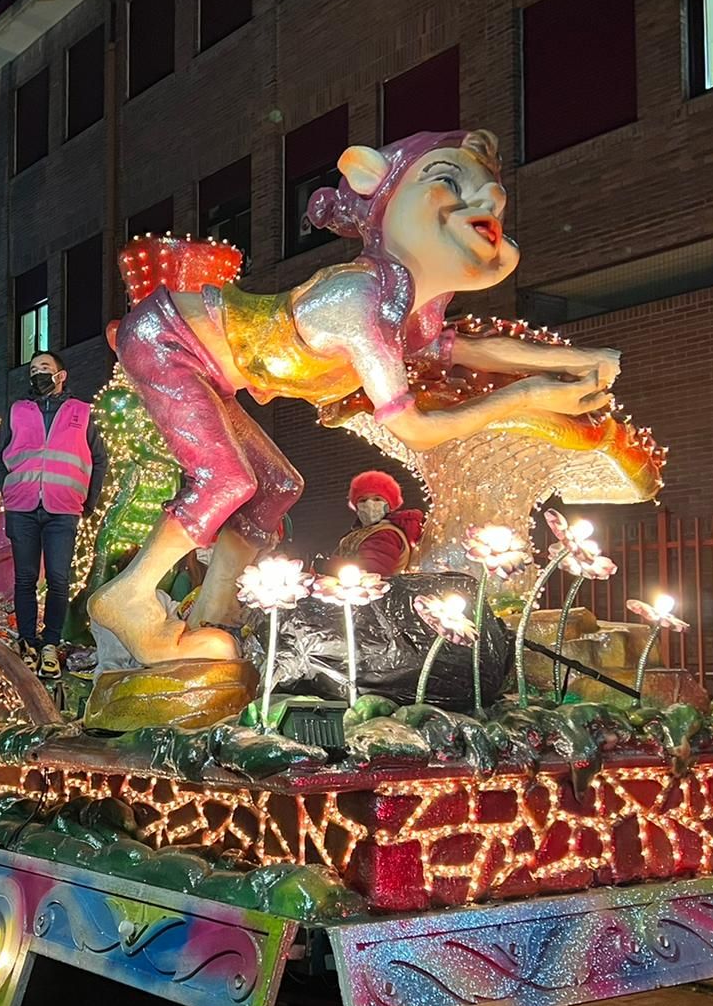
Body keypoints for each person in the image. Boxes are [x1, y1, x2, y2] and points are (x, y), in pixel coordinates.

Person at [87, 129, 618, 665]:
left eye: (491, 197)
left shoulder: (406, 313)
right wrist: (529, 394)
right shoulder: (358, 296)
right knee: (227, 479)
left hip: (214, 363)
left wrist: (574, 360)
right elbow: (413, 428)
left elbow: (472, 349)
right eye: (450, 182)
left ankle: (214, 614)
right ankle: (125, 598)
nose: (484, 203)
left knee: (277, 486)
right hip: (169, 334)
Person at [0, 351, 107, 679]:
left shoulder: (81, 413)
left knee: (58, 579)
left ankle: (50, 645)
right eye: (33, 369)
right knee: (25, 579)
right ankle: (27, 642)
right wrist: (8, 489)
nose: (38, 373)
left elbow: (100, 459)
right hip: (22, 507)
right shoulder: (17, 411)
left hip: (63, 510)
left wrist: (89, 500)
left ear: (61, 375)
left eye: (45, 368)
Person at [329, 470, 424, 576]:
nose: (370, 504)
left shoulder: (385, 534)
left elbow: (372, 573)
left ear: (389, 506)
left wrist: (330, 566)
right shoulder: (364, 531)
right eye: (363, 500)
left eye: (377, 499)